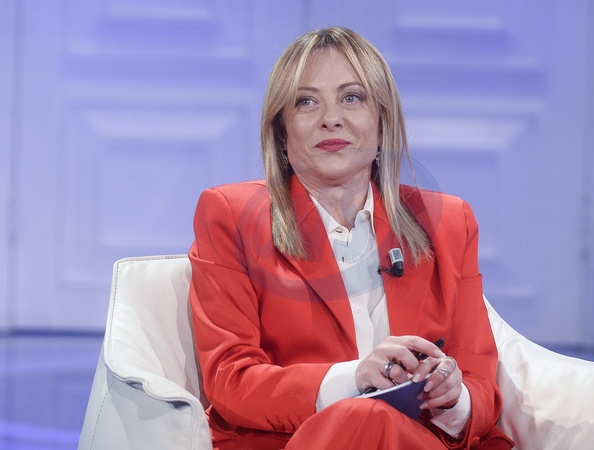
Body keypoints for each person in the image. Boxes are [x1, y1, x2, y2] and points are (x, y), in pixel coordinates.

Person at [188, 27, 514, 449]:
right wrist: (354, 379)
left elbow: (479, 382)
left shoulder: (449, 223)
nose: (331, 118)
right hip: (301, 440)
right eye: (306, 102)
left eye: (352, 97)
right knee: (367, 417)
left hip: (422, 439)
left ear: (382, 123)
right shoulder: (231, 216)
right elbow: (230, 380)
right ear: (282, 132)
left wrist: (454, 398)